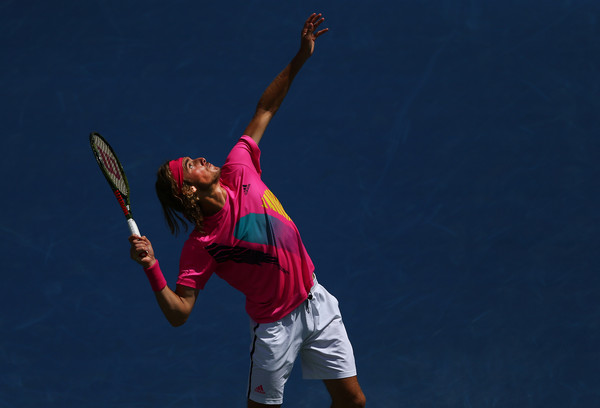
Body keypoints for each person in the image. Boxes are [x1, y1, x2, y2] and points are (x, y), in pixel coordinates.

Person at [128, 13, 366, 408]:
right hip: (275, 327)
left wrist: (301, 56)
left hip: (315, 298)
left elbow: (265, 110)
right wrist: (152, 266)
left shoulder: (239, 166)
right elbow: (179, 313)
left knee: (353, 402)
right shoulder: (202, 245)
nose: (202, 158)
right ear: (188, 190)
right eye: (192, 165)